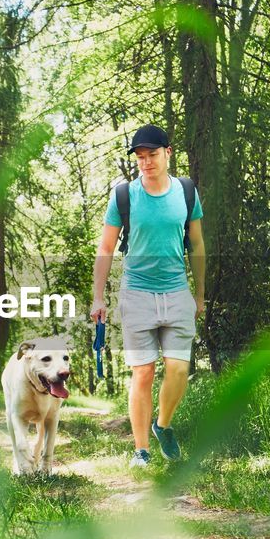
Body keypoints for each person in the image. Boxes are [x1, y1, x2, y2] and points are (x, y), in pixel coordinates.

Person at [90, 124, 205, 467]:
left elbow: (197, 244)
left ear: (168, 153)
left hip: (176, 291)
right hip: (137, 292)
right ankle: (141, 451)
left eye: (152, 155)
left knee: (178, 369)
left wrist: (200, 294)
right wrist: (98, 298)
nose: (146, 163)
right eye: (140, 157)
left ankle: (163, 425)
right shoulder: (124, 196)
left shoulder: (186, 192)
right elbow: (106, 247)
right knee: (142, 372)